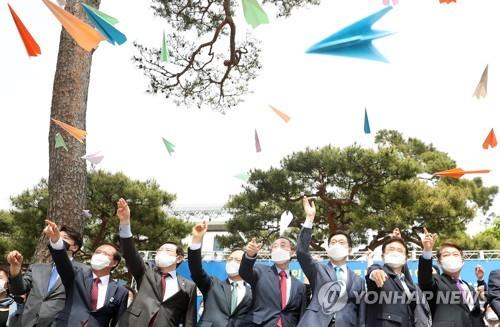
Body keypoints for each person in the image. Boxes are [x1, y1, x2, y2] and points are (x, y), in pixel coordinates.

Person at [115, 198, 197, 327]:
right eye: (160, 250)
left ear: (179, 258)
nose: (162, 252)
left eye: (168, 250)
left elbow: (189, 319)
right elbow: (130, 253)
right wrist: (125, 222)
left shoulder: (189, 286)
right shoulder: (146, 271)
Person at [296, 196, 365, 327]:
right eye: (333, 242)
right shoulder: (317, 270)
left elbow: (361, 314)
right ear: (328, 249)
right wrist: (309, 219)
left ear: (350, 250)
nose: (337, 244)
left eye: (341, 242)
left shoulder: (359, 281)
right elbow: (301, 253)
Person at [45, 219, 128, 326]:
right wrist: (56, 240)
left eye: (105, 253)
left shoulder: (120, 291)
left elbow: (119, 322)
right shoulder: (76, 274)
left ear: (114, 263)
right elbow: (61, 260)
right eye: (97, 252)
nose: (100, 255)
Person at [7, 225, 86, 327]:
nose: (57, 239)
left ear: (75, 247)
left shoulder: (82, 271)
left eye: (64, 238)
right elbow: (18, 290)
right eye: (57, 236)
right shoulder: (37, 268)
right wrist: (15, 268)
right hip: (25, 322)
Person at [188, 221, 253, 326]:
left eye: (237, 260)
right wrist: (196, 239)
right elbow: (196, 270)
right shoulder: (212, 285)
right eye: (230, 259)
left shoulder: (252, 292)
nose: (232, 261)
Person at [418, 228, 485, 326]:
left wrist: (480, 280)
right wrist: (427, 251)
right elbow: (424, 279)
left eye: (455, 254)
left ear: (462, 260)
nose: (451, 257)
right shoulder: (436, 282)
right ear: (439, 262)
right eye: (446, 255)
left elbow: (476, 315)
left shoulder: (469, 287)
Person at [239, 232, 307, 326]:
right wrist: (250, 255)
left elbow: (301, 315)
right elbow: (244, 272)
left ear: (292, 253)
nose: (278, 249)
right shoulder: (260, 271)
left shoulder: (299, 286)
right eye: (275, 246)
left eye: (283, 245)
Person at [366, 236, 431, 327]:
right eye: (391, 249)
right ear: (382, 256)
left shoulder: (409, 284)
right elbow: (372, 274)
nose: (395, 253)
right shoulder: (382, 276)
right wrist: (374, 272)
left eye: (400, 250)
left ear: (405, 258)